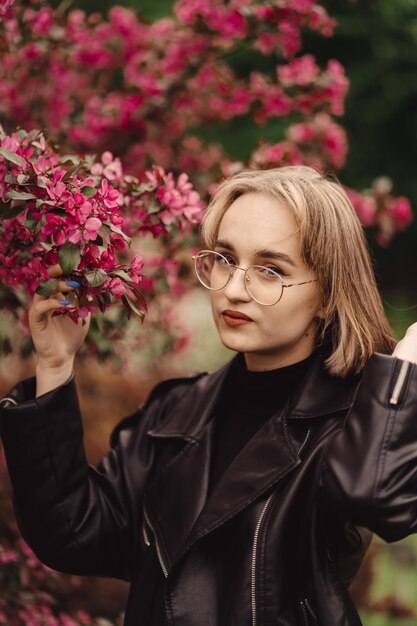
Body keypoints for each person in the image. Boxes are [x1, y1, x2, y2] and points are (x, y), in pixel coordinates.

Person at [1, 165, 417, 626]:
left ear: (327, 293)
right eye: (223, 258)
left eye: (270, 270)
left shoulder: (354, 421)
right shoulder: (174, 412)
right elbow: (75, 533)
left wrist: (401, 381)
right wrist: (55, 366)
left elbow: (376, 499)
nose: (233, 289)